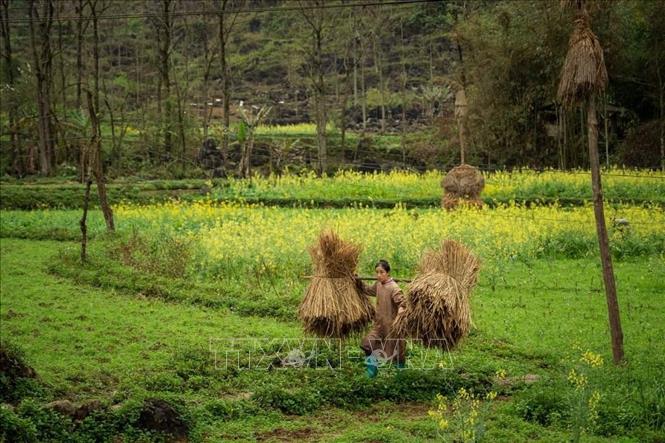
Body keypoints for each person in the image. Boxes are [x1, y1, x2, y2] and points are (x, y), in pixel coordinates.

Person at [355, 259, 406, 378]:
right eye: (377, 272)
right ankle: (371, 372)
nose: (378, 275)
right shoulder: (378, 285)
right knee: (367, 344)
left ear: (388, 273)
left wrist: (401, 310)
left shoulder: (394, 287)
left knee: (397, 352)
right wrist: (358, 281)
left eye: (381, 272)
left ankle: (401, 377)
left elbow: (402, 302)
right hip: (379, 326)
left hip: (391, 327)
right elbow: (367, 290)